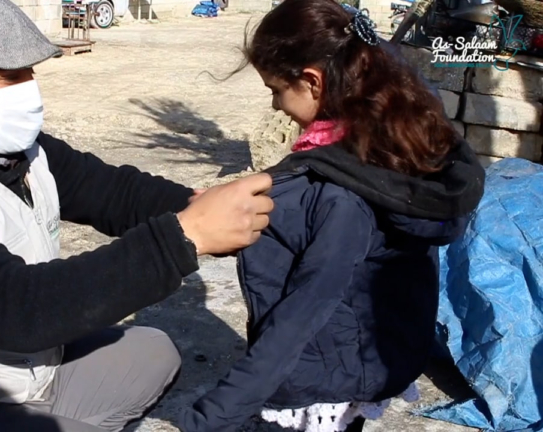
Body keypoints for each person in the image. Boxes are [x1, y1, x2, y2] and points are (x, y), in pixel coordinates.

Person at [0, 0, 274, 431]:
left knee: (153, 354)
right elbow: (17, 310)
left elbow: (113, 192)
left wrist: (197, 202)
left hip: (28, 378)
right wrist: (185, 236)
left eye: (30, 73)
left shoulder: (20, 153)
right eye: (10, 77)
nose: (29, 89)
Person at [179, 1, 486, 431]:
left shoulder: (342, 192)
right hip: (360, 360)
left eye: (275, 90)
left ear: (312, 82)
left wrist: (213, 415)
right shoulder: (389, 148)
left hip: (323, 376)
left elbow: (304, 310)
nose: (274, 106)